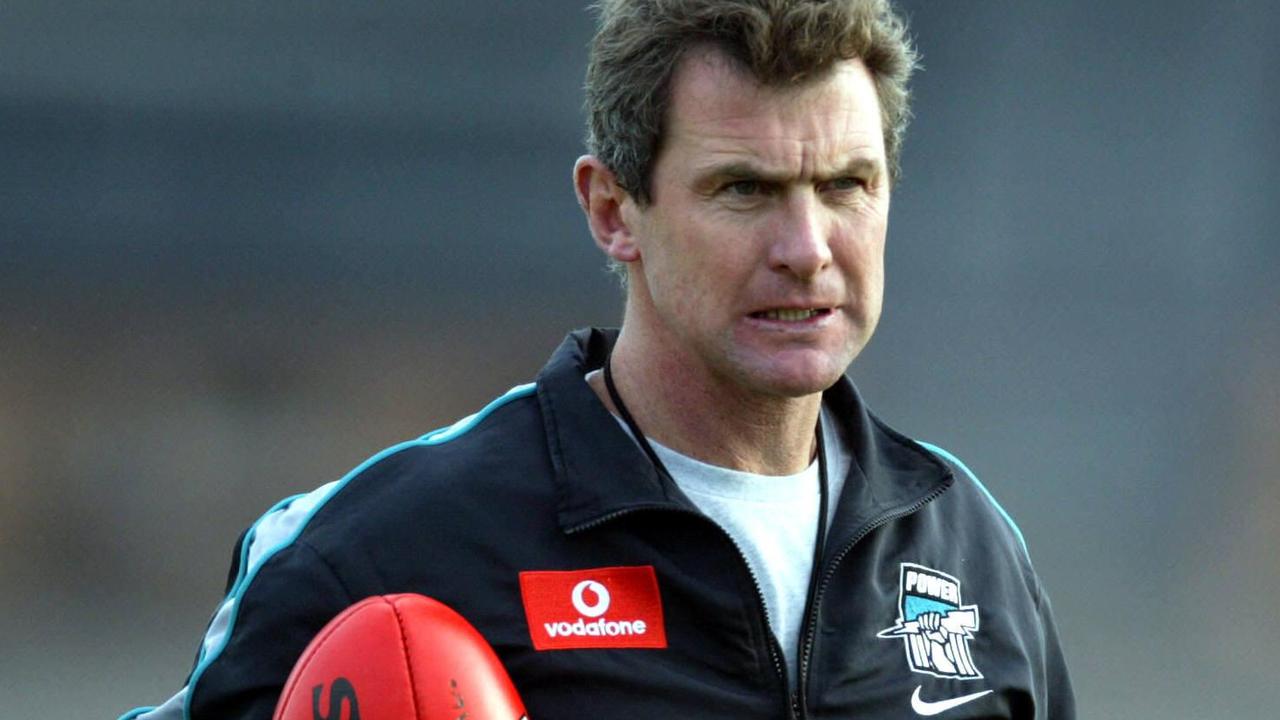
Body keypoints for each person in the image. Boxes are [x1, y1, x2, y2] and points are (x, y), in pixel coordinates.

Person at [121, 1, 1074, 718]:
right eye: (744, 189)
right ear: (613, 210)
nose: (808, 245)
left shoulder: (970, 548)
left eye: (847, 185)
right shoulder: (377, 551)